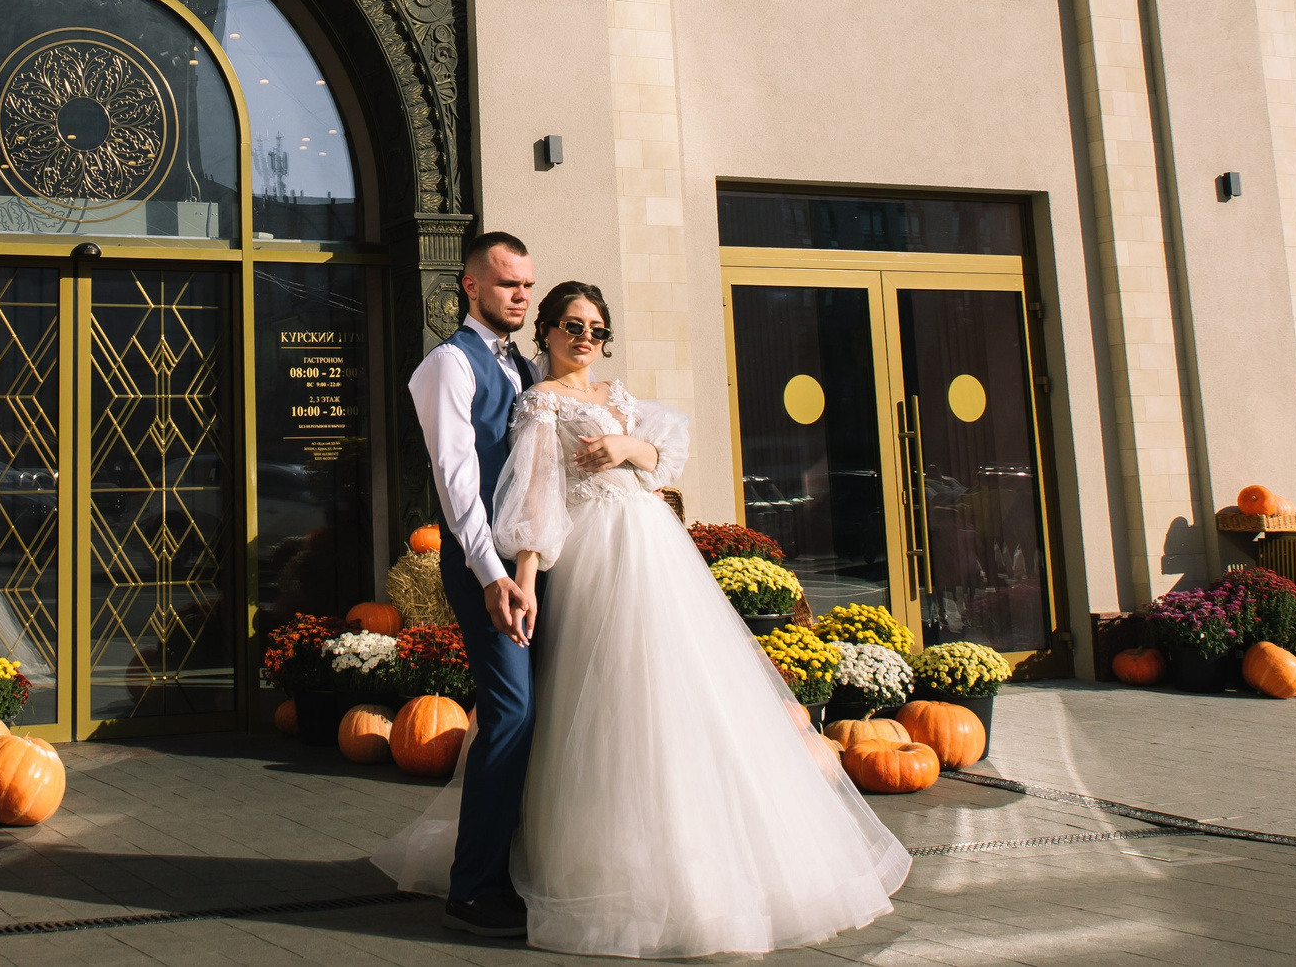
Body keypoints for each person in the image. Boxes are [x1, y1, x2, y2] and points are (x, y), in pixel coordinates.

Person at [376, 279, 910, 958]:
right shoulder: (540, 402)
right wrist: (527, 582)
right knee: (612, 707)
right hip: (597, 557)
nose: (585, 339)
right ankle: (604, 869)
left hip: (656, 553)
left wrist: (629, 449)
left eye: (596, 329)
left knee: (685, 699)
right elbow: (534, 499)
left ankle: (708, 862)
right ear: (546, 331)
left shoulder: (616, 398)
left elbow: (665, 456)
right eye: (572, 325)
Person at [390, 230, 542, 937]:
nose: (521, 295)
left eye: (527, 285)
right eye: (508, 283)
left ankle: (521, 869)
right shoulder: (448, 365)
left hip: (533, 565)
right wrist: (489, 574)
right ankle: (474, 885)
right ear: (470, 286)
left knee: (543, 709)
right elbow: (457, 482)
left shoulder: (530, 367)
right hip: (484, 568)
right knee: (509, 714)